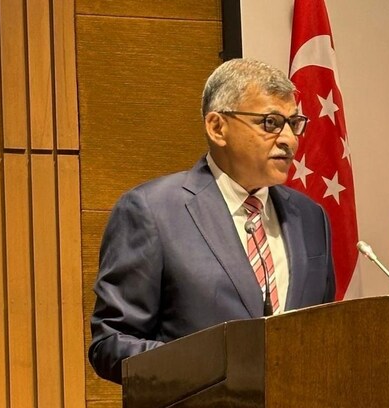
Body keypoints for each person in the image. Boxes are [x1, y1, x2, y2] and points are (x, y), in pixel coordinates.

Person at [89, 58, 336, 384]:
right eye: (271, 123)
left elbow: (328, 333)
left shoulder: (310, 217)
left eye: (294, 123)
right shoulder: (152, 211)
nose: (289, 139)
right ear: (217, 127)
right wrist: (208, 369)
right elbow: (111, 343)